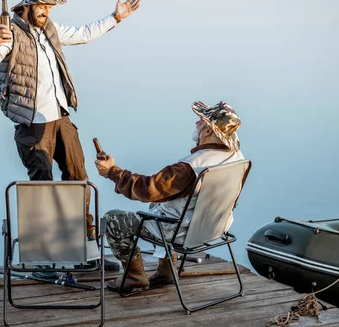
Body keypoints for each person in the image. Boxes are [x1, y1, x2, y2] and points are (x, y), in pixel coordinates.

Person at [0, 0, 140, 271]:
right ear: (27, 6)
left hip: (61, 118)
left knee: (79, 178)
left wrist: (116, 17)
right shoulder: (11, 33)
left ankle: (88, 252)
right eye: (42, 5)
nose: (47, 11)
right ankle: (45, 257)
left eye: (49, 6)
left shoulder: (50, 30)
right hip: (33, 124)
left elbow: (82, 34)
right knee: (42, 186)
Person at [94, 100, 245, 293]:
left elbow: (147, 190)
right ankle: (167, 271)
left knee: (114, 219)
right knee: (161, 204)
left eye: (200, 120)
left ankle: (134, 277)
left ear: (208, 131)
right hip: (213, 228)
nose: (196, 123)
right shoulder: (236, 158)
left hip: (180, 232)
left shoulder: (191, 167)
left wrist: (112, 172)